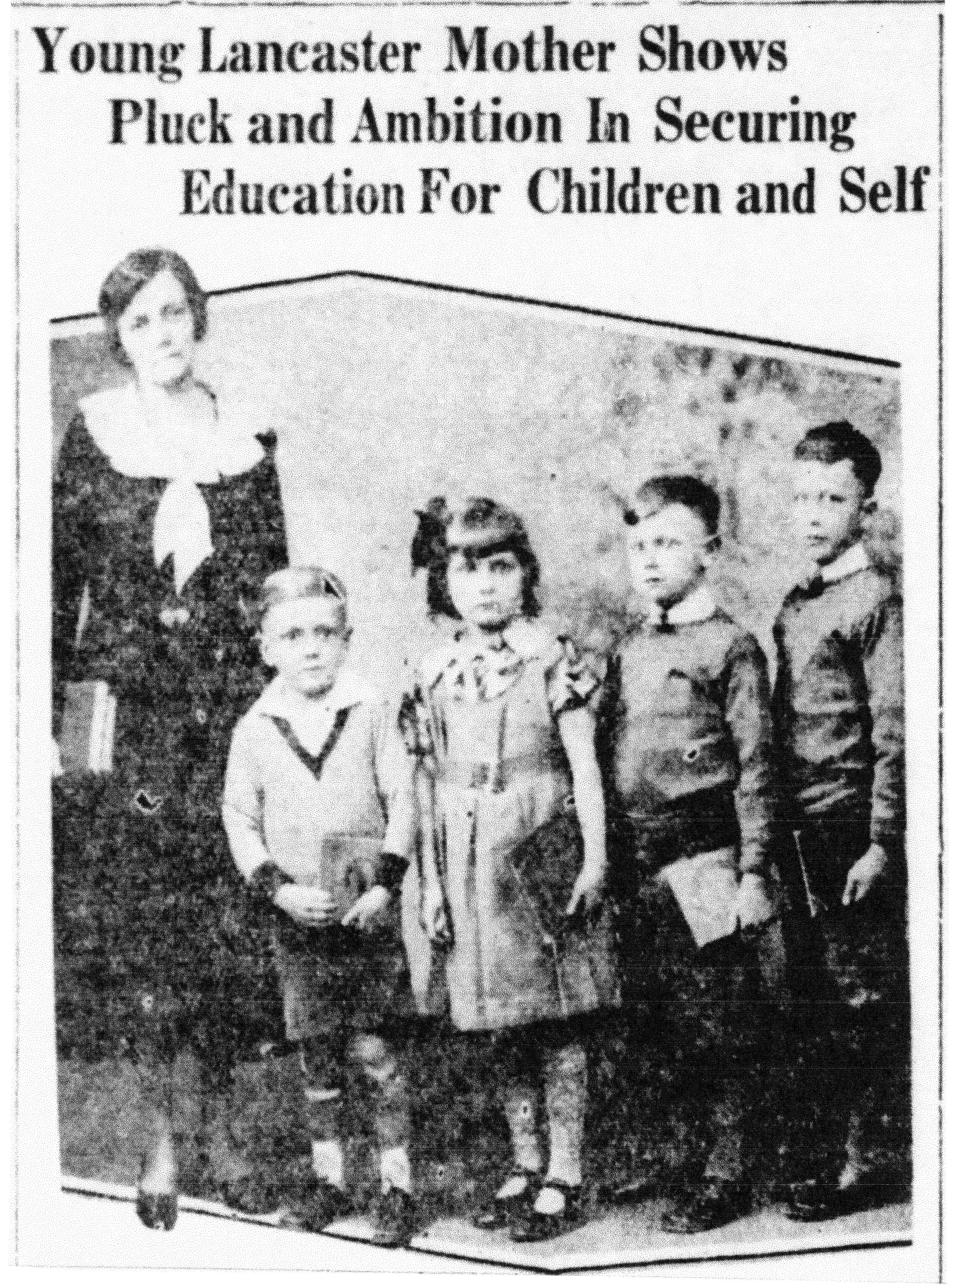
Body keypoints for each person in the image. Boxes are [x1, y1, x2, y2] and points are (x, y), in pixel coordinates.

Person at [51, 248, 288, 1228]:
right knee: (148, 939)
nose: (164, 333)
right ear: (118, 336)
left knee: (228, 929)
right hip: (129, 720)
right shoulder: (96, 437)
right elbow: (53, 592)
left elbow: (280, 597)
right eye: (143, 320)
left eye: (178, 313)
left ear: (202, 320)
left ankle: (227, 1139)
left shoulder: (248, 445)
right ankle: (159, 1143)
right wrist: (51, 727)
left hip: (227, 717)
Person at [401, 497, 618, 1242]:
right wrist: (431, 884)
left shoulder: (555, 657)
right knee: (496, 1024)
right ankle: (524, 1165)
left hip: (537, 847)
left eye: (502, 567)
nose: (487, 585)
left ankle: (567, 1172)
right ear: (444, 583)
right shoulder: (430, 673)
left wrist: (594, 855)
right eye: (468, 570)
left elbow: (585, 767)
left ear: (526, 574)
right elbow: (426, 786)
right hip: (466, 859)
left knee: (555, 1018)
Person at [222, 567, 420, 1247]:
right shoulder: (254, 729)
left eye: (324, 633)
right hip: (298, 921)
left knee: (374, 1047)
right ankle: (329, 1179)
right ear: (265, 647)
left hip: (363, 913)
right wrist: (276, 887)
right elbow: (240, 818)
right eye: (292, 635)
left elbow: (403, 801)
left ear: (347, 639)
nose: (310, 648)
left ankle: (397, 1184)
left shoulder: (370, 711)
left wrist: (385, 885)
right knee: (317, 1055)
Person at [603, 475, 780, 1234]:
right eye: (639, 545)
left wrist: (752, 873)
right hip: (640, 863)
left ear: (708, 551)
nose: (649, 560)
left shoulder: (732, 646)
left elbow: (756, 764)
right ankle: (676, 1156)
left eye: (668, 543)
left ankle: (727, 1170)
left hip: (705, 856)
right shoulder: (631, 646)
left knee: (718, 1020)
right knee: (659, 1020)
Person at [772, 421, 907, 1221]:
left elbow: (892, 729)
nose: (815, 513)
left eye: (833, 497)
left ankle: (868, 1162)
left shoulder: (878, 600)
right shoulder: (799, 600)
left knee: (862, 996)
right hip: (800, 830)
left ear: (867, 506)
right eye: (803, 498)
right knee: (816, 999)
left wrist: (883, 841)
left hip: (851, 828)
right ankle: (825, 1157)